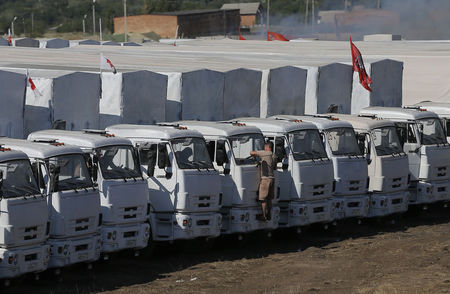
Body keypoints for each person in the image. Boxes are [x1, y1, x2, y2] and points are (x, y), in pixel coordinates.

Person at [250, 141, 277, 221]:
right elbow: (274, 167)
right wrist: (262, 163)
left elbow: (252, 152)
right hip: (272, 178)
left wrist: (255, 156)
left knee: (263, 198)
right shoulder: (274, 155)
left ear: (267, 147)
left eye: (265, 146)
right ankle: (269, 214)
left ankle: (263, 215)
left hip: (265, 179)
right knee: (269, 199)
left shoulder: (265, 153)